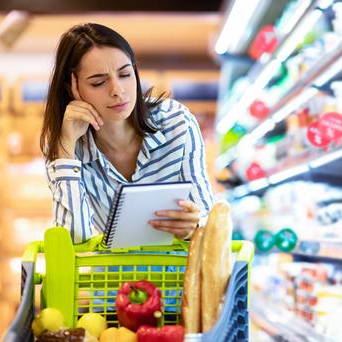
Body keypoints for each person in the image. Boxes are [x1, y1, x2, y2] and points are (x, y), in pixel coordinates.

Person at [40, 23, 214, 244]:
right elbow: (74, 241)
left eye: (124, 74)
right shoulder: (67, 147)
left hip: (180, 273)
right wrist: (65, 150)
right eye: (98, 82)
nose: (117, 90)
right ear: (72, 88)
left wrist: (192, 226)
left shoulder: (175, 122)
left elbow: (206, 217)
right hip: (114, 277)